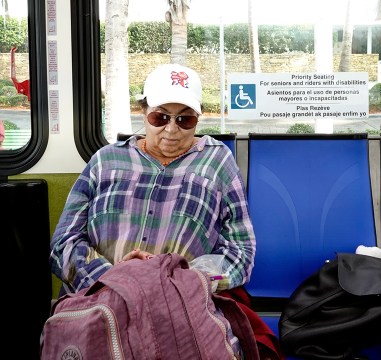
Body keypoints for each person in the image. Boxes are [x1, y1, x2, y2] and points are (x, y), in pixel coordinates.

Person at [50, 63, 257, 358]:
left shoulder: (217, 164)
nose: (171, 130)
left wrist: (178, 282)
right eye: (160, 117)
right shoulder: (104, 161)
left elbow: (241, 253)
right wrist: (115, 278)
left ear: (198, 119)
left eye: (185, 120)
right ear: (142, 112)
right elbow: (63, 244)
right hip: (101, 299)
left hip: (180, 306)